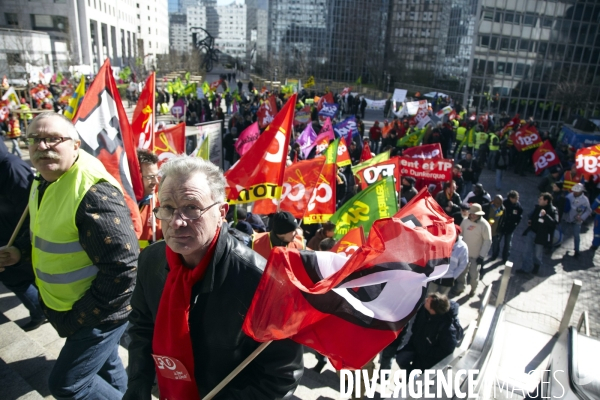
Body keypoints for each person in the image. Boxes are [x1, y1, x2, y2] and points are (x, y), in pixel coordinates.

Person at [124, 157, 303, 399]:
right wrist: (138, 382)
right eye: (167, 207)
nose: (177, 222)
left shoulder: (261, 283)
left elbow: (281, 375)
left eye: (191, 208)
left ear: (221, 212)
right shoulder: (151, 261)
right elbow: (142, 326)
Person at [0, 112, 138, 399]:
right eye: (35, 140)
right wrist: (19, 251)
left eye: (53, 139)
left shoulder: (93, 193)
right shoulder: (44, 178)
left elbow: (124, 269)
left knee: (68, 383)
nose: (43, 146)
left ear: (75, 145)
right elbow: (44, 228)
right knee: (107, 364)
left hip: (94, 314)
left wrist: (80, 317)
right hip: (69, 307)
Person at [0, 140, 46, 331]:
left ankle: (40, 312)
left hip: (16, 240)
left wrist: (20, 245)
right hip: (7, 236)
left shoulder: (11, 167)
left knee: (17, 279)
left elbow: (28, 210)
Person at [394, 294, 462, 373]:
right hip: (415, 345)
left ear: (433, 309)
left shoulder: (447, 329)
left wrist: (426, 350)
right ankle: (409, 375)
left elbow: (447, 350)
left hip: (428, 357)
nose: (425, 300)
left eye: (427, 301)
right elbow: (416, 323)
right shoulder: (424, 309)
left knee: (419, 373)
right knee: (400, 359)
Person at [452, 204, 492, 297]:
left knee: (474, 275)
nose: (472, 215)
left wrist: (482, 256)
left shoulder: (484, 225)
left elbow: (487, 241)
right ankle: (460, 288)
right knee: (461, 273)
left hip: (476, 255)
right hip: (464, 254)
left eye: (475, 214)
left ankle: (473, 289)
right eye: (471, 213)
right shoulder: (465, 221)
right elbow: (460, 235)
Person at [516, 193, 559, 275]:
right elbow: (532, 215)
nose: (539, 200)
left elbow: (554, 223)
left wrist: (545, 215)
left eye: (541, 199)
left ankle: (536, 267)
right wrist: (530, 220)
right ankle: (525, 268)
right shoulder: (538, 207)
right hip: (532, 232)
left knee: (537, 254)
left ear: (546, 201)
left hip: (541, 236)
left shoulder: (553, 210)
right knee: (527, 252)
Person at [427, 227, 469, 296]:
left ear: (457, 235)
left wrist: (453, 276)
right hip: (435, 275)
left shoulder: (462, 247)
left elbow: (463, 264)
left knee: (441, 298)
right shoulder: (441, 241)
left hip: (448, 278)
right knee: (429, 295)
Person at [137, 149, 162, 249]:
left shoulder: (161, 202)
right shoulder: (121, 202)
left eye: (156, 176)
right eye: (150, 177)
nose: (155, 182)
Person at [563, 183, 592, 258]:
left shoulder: (585, 200)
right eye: (574, 191)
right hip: (567, 218)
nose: (575, 192)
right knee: (561, 232)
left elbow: (588, 210)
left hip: (577, 221)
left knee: (576, 236)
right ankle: (556, 244)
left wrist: (582, 217)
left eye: (577, 191)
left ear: (581, 191)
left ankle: (577, 251)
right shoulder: (569, 196)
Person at [493, 191, 523, 262]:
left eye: (517, 198)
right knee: (496, 242)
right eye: (515, 198)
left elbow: (519, 216)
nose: (517, 200)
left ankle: (505, 258)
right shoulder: (503, 203)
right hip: (501, 227)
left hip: (510, 228)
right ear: (510, 198)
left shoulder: (517, 206)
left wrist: (515, 224)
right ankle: (494, 255)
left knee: (508, 244)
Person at [484, 195, 506, 262]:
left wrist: (501, 229)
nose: (499, 205)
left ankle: (494, 256)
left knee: (496, 246)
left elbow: (503, 219)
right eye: (497, 203)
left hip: (496, 231)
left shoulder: (502, 209)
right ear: (493, 201)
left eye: (500, 203)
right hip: (486, 231)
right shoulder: (486, 207)